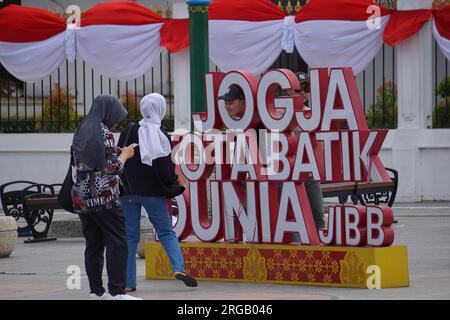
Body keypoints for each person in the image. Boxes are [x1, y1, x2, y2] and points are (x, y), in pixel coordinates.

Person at [118, 93, 198, 292]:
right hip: (153, 193)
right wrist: (175, 183)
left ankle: (128, 283)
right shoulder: (161, 134)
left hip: (127, 192)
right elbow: (165, 169)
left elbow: (118, 154)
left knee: (129, 237)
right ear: (160, 109)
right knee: (165, 232)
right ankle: (178, 268)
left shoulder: (129, 130)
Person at [218, 83, 325, 231]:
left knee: (297, 224)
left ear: (243, 102)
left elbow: (264, 158)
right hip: (271, 177)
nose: (227, 106)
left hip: (283, 175)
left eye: (231, 102)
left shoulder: (259, 120)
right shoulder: (240, 124)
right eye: (225, 103)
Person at [71, 95, 142, 300]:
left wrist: (112, 153)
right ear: (108, 112)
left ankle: (96, 292)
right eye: (115, 117)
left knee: (93, 244)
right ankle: (117, 292)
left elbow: (87, 161)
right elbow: (112, 169)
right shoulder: (104, 133)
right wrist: (126, 154)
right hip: (104, 198)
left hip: (82, 199)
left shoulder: (82, 129)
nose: (115, 122)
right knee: (117, 242)